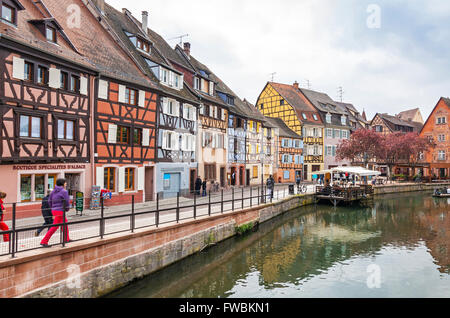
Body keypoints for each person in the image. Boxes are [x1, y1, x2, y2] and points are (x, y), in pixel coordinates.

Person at [40, 179, 71, 248]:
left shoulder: (53, 191)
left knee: (65, 223)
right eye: (65, 183)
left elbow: (49, 201)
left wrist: (52, 208)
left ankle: (67, 238)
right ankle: (44, 241)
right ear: (63, 184)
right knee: (55, 226)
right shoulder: (64, 191)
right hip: (60, 210)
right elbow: (67, 201)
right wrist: (67, 208)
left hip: (54, 210)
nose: (66, 184)